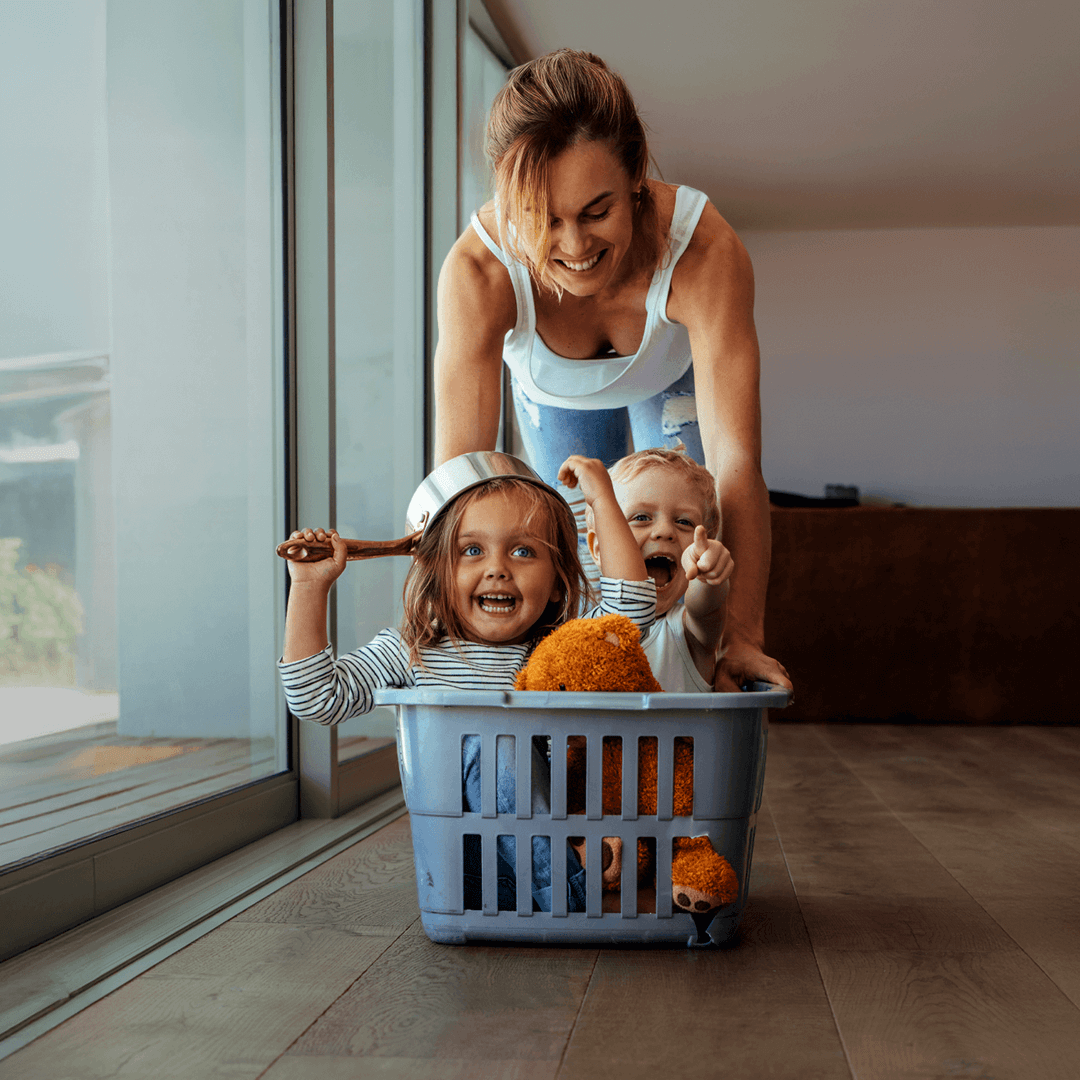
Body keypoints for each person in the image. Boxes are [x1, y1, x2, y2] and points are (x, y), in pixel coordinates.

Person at [433, 47, 790, 694]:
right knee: (577, 576)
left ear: (634, 177)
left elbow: (738, 464)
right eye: (542, 221)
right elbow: (461, 483)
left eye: (596, 212)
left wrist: (743, 637)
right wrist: (446, 639)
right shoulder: (480, 271)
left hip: (670, 382)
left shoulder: (703, 251)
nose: (572, 248)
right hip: (556, 396)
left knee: (681, 562)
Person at [278, 453, 655, 913]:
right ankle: (569, 893)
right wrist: (309, 588)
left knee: (503, 739)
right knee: (490, 738)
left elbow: (628, 615)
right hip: (467, 871)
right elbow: (317, 698)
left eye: (523, 550)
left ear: (557, 583)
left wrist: (601, 500)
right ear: (437, 575)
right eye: (471, 550)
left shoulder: (555, 650)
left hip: (548, 851)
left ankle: (564, 886)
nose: (498, 568)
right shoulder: (413, 649)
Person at [586, 446, 732, 692]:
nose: (664, 531)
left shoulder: (689, 634)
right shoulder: (579, 630)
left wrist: (707, 575)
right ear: (600, 549)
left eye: (684, 522)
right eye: (641, 518)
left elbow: (705, 608)